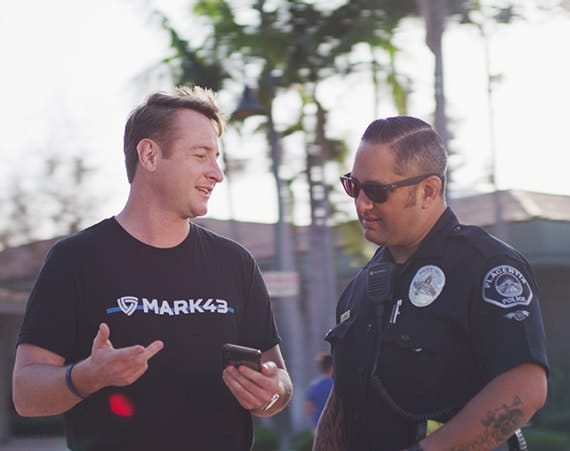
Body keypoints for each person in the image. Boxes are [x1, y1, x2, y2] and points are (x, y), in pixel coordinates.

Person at [12, 85, 293, 451]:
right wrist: (87, 376)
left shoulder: (235, 262)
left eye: (216, 157)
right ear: (149, 155)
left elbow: (280, 380)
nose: (217, 173)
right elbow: (26, 394)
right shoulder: (75, 260)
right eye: (200, 155)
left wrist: (270, 393)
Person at [313, 116, 548, 451]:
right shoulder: (360, 288)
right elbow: (342, 401)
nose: (362, 204)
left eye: (378, 191)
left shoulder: (485, 267)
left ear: (428, 191)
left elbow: (525, 387)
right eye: (354, 186)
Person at [305, 352, 333, 430]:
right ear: (332, 367)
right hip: (335, 426)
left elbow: (309, 408)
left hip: (319, 426)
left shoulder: (314, 386)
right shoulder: (336, 385)